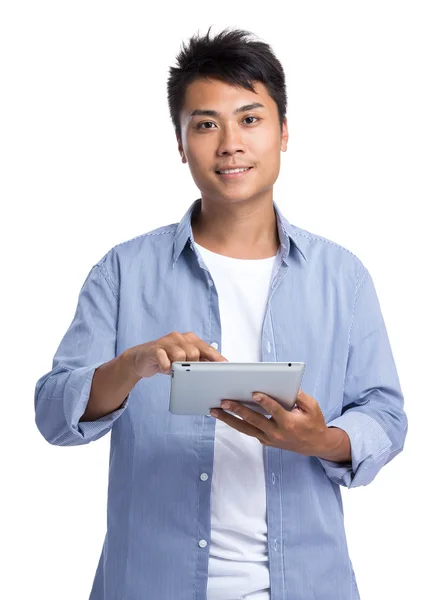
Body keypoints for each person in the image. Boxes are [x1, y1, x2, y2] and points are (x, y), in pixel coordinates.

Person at [34, 26, 408, 600]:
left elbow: (384, 414)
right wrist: (130, 367)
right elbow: (54, 414)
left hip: (307, 584)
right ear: (181, 144)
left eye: (250, 119)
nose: (230, 143)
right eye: (206, 124)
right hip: (150, 585)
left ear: (285, 132)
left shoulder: (343, 277)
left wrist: (323, 440)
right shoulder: (122, 272)